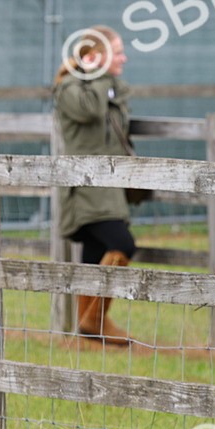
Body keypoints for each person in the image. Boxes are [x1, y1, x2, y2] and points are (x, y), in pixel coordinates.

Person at [53, 25, 137, 345]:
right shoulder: (68, 88)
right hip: (85, 187)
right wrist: (99, 76)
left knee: (95, 253)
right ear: (93, 57)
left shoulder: (108, 86)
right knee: (122, 243)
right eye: (117, 53)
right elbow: (89, 110)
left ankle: (87, 331)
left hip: (110, 184)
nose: (123, 58)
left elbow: (123, 99)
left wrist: (104, 79)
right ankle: (95, 321)